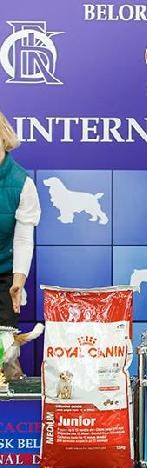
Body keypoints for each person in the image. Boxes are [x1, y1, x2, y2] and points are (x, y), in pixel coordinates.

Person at [0, 111, 41, 328]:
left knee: (6, 346)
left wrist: (18, 282)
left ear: (3, 136)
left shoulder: (22, 183)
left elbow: (23, 240)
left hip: (5, 276)